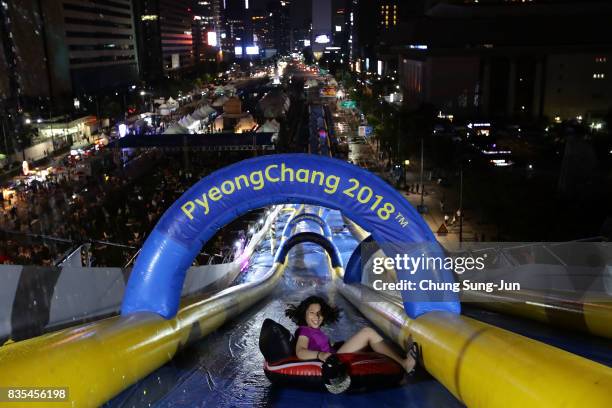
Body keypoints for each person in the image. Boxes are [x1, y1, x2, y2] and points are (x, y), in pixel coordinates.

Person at [285, 295, 418, 373]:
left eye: (320, 313)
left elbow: (319, 344)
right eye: (312, 312)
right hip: (334, 360)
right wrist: (321, 355)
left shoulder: (315, 331)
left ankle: (398, 357)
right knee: (368, 332)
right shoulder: (304, 330)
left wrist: (330, 347)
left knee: (365, 343)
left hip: (334, 354)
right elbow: (300, 352)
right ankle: (404, 364)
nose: (317, 316)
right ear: (304, 314)